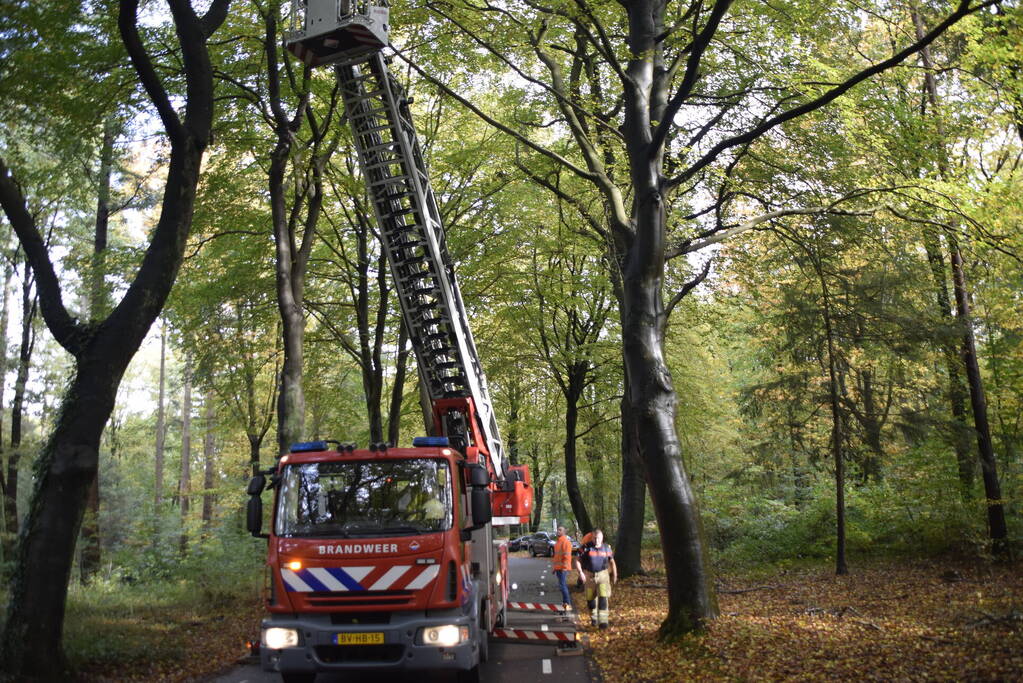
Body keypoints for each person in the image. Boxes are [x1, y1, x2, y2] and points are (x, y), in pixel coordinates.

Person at [574, 528, 617, 629]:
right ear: (591, 538)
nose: (596, 540)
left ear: (602, 538)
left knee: (603, 598)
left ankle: (603, 622)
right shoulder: (585, 548)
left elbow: (612, 562)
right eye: (594, 538)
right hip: (589, 577)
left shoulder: (606, 548)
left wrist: (614, 574)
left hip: (603, 576)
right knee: (590, 600)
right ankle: (594, 618)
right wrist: (580, 573)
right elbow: (577, 560)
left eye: (598, 538)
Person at [551, 526, 574, 613]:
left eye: (560, 530)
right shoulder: (558, 542)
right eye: (558, 529)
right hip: (559, 568)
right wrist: (554, 568)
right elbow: (557, 557)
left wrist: (564, 568)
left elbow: (567, 557)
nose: (558, 531)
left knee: (563, 586)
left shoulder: (566, 542)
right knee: (562, 586)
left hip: (563, 569)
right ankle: (565, 604)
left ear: (564, 532)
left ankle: (567, 605)